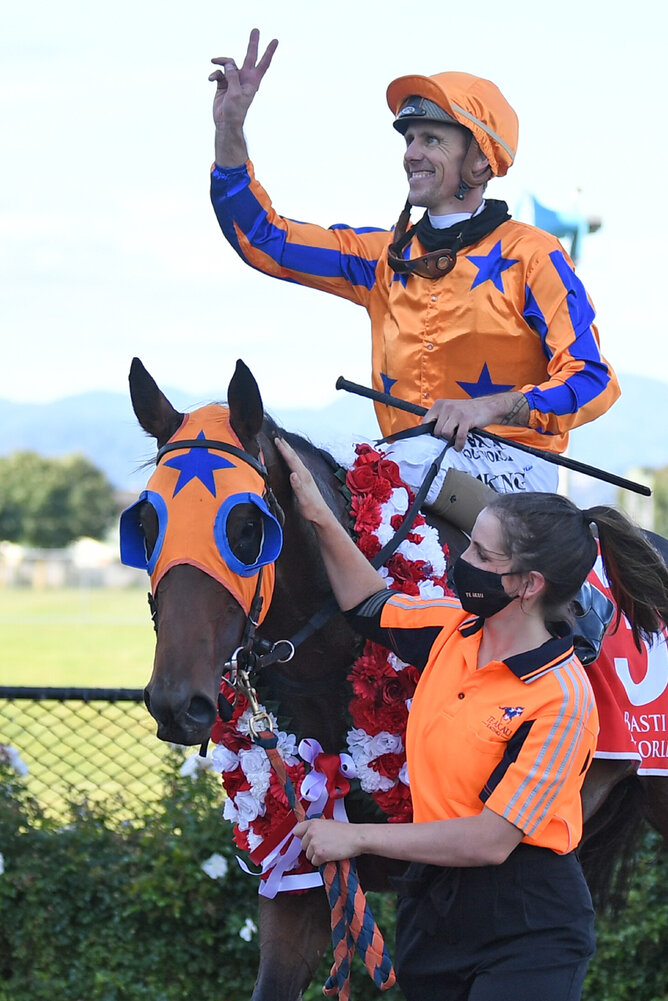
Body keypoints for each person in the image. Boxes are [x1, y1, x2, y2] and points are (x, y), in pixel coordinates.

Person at [273, 435, 668, 1001]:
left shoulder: (561, 696)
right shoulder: (451, 627)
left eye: (484, 556)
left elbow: (490, 841)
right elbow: (369, 605)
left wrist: (353, 837)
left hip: (527, 926)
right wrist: (315, 512)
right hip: (433, 914)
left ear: (529, 586)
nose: (464, 563)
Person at [209, 30, 620, 529]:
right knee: (305, 463)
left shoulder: (535, 254)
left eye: (431, 139)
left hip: (516, 474)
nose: (412, 153)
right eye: (408, 139)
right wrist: (230, 133)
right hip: (406, 468)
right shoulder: (382, 257)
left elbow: (593, 380)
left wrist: (491, 407)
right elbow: (264, 239)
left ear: (479, 159)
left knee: (383, 464)